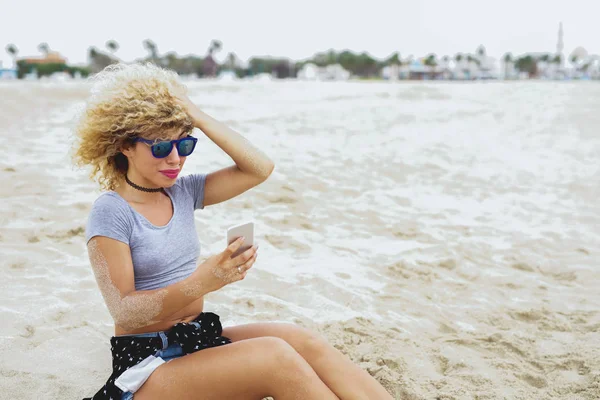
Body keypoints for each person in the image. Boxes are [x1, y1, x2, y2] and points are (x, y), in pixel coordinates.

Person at [73, 62, 393, 400]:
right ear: (124, 145)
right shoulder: (111, 211)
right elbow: (124, 311)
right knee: (274, 357)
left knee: (299, 339)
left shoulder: (182, 192)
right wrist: (205, 280)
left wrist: (196, 115)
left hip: (196, 339)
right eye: (160, 147)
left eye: (184, 146)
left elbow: (259, 168)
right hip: (147, 364)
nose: (175, 160)